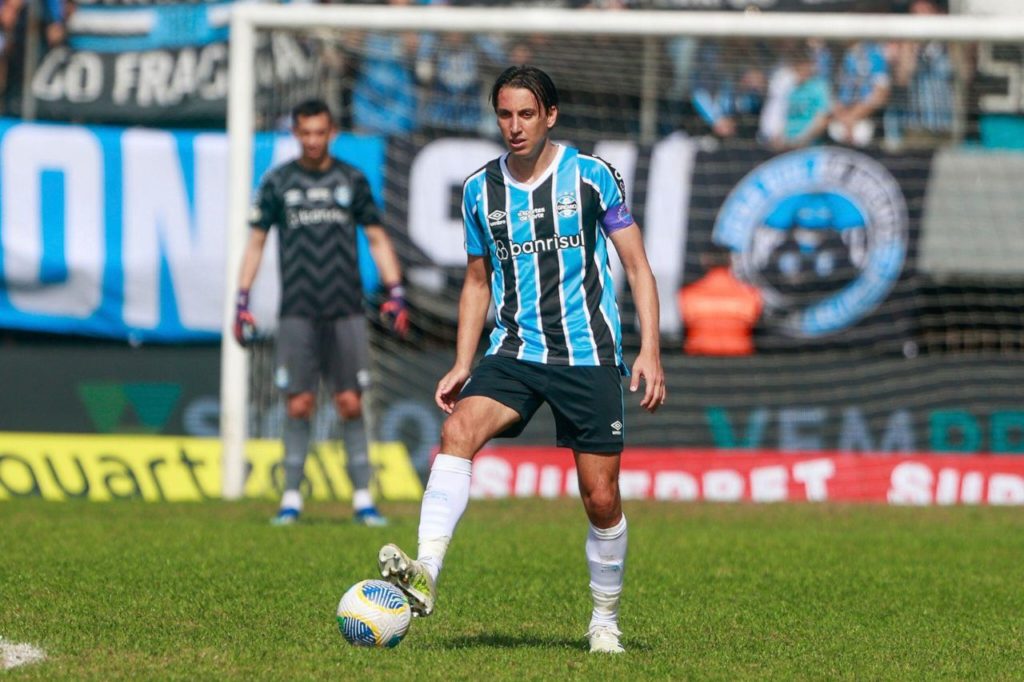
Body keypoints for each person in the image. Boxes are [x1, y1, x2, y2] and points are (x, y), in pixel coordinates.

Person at [375, 65, 666, 655]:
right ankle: (426, 570)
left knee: (601, 498)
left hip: (587, 354)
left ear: (550, 116)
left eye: (526, 114)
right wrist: (463, 361)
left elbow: (636, 266)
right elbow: (476, 281)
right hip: (515, 350)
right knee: (457, 430)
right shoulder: (480, 190)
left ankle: (603, 620)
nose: (514, 126)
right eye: (505, 114)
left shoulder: (591, 178)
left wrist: (651, 351)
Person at [233, 99, 409, 527]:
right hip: (297, 311)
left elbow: (377, 238)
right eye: (305, 133)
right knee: (298, 404)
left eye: (320, 132)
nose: (312, 140)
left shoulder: (352, 179)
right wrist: (241, 299)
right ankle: (291, 498)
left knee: (350, 403)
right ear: (295, 133)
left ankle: (363, 499)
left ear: (332, 133)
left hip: (345, 309)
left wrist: (396, 290)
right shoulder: (278, 183)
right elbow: (255, 243)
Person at [678, 244, 763, 356]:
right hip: (740, 362)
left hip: (699, 361)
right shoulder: (751, 295)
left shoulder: (688, 294)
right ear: (730, 261)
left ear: (705, 260)